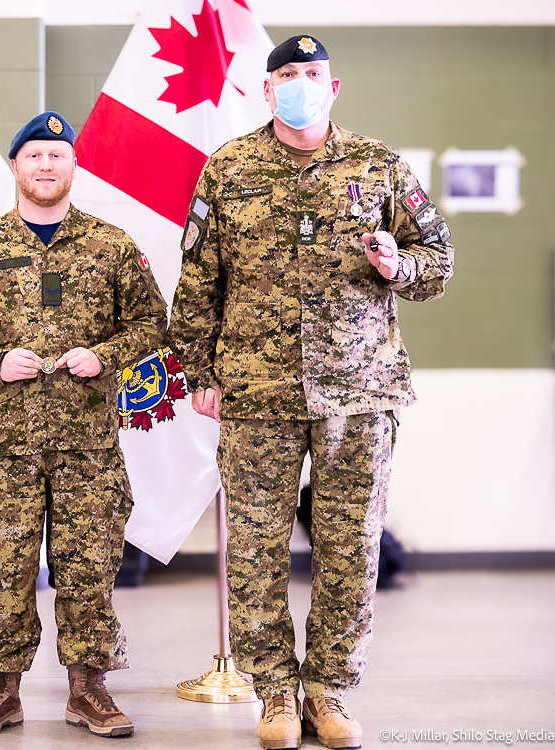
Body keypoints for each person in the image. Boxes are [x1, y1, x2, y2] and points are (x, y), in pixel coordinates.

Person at [168, 36, 454, 750]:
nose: (300, 83)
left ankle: (329, 690)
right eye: (287, 75)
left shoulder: (379, 165)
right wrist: (199, 374)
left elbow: (439, 260)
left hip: (359, 392)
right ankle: (274, 694)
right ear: (268, 91)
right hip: (256, 392)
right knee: (257, 551)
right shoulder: (228, 169)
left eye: (312, 74)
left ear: (335, 86)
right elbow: (199, 281)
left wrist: (399, 264)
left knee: (350, 548)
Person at [0, 111, 167, 739]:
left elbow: (152, 322)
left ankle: (90, 690)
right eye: (35, 155)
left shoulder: (111, 245)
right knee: (2, 566)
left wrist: (105, 355)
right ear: (15, 166)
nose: (47, 165)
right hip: (8, 444)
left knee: (89, 566)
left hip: (88, 443)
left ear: (74, 166)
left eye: (58, 154)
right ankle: (0, 691)